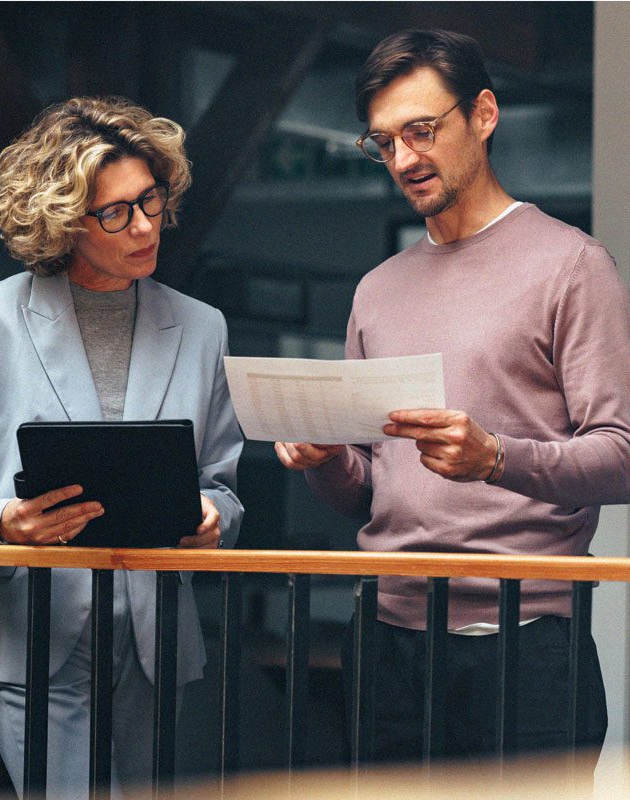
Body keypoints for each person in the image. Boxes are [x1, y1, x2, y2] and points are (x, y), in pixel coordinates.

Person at [275, 29, 630, 762]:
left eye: (423, 130)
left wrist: (494, 457)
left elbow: (621, 456)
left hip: (524, 645)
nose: (405, 159)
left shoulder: (573, 265)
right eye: (385, 142)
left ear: (485, 114)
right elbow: (369, 493)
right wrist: (325, 458)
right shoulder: (377, 290)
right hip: (384, 639)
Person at [0, 96, 244, 798]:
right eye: (115, 212)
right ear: (61, 220)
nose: (145, 226)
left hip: (155, 640)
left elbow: (226, 488)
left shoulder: (202, 328)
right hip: (30, 634)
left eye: (149, 200)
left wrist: (213, 518)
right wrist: (3, 523)